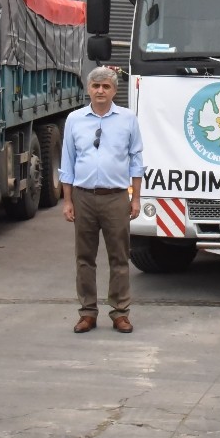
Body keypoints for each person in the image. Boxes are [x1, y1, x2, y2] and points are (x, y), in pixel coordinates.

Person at [60, 67, 143, 334]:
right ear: (88, 89)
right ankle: (87, 312)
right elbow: (67, 162)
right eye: (95, 86)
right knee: (84, 257)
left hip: (115, 197)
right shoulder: (74, 119)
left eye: (106, 86)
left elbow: (136, 160)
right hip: (83, 197)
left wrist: (136, 198)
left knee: (119, 257)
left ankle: (120, 312)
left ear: (114, 91)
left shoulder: (127, 119)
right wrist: (68, 201)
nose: (100, 91)